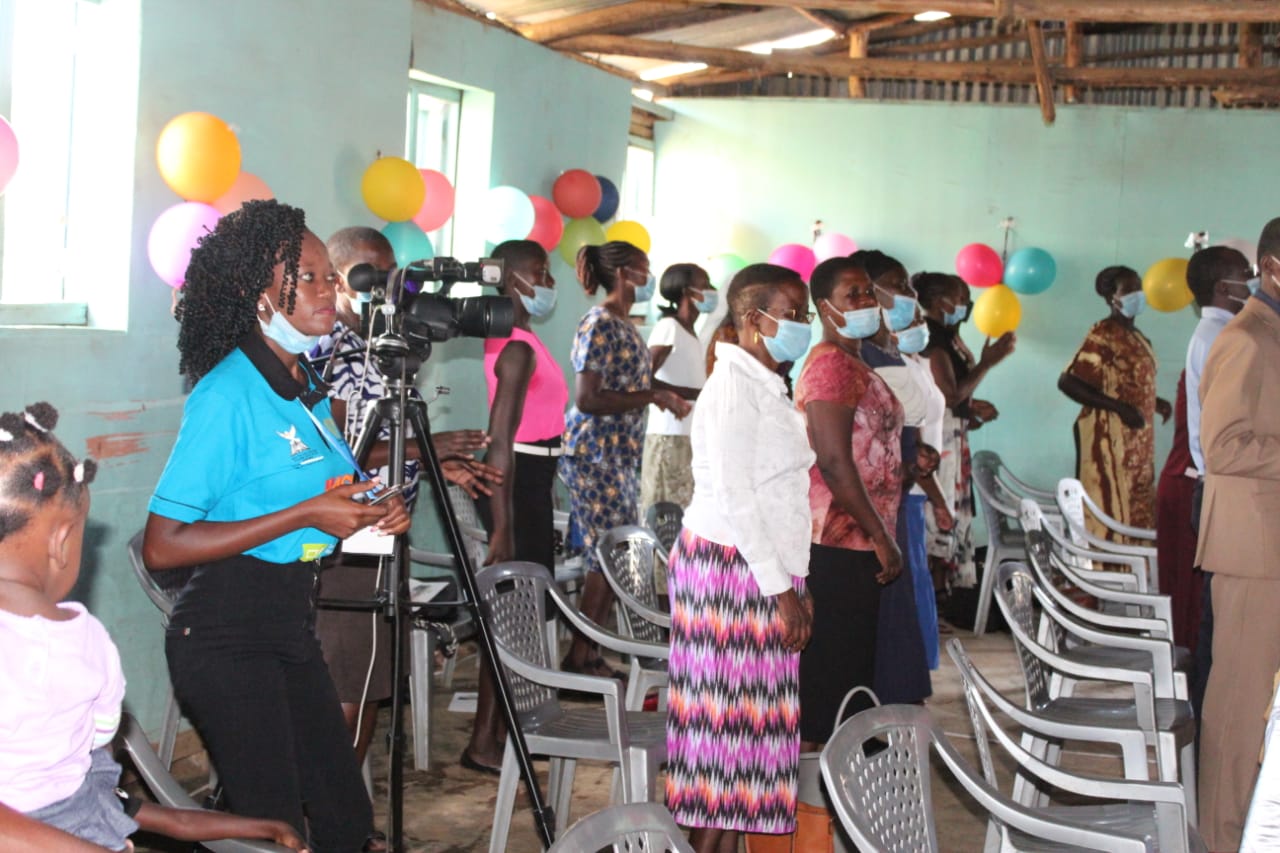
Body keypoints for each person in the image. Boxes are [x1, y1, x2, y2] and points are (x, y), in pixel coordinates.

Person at [143, 200, 408, 853]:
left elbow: (325, 491)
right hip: (225, 632)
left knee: (346, 820)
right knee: (278, 830)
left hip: (289, 623)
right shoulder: (227, 392)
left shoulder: (303, 381)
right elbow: (161, 544)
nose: (329, 291)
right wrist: (309, 514)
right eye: (310, 277)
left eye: (329, 277)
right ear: (259, 295)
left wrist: (373, 505)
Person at [0, 402, 306, 853]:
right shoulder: (86, 643)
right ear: (62, 542)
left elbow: (100, 798)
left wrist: (245, 825)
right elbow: (93, 764)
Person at [310, 226, 500, 779]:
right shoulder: (330, 351)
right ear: (341, 281)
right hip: (347, 539)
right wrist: (427, 446)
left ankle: (344, 814)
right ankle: (327, 819)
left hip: (388, 532)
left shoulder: (384, 347)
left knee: (368, 685)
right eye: (373, 276)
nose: (388, 289)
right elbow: (338, 453)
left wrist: (436, 463)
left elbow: (388, 440)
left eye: (393, 274)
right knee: (347, 686)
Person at [665, 263, 814, 853]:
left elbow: (782, 492)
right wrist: (782, 591)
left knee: (749, 747)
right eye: (794, 315)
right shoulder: (732, 386)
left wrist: (797, 580)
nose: (802, 326)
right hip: (730, 571)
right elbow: (735, 494)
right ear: (755, 319)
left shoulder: (762, 381)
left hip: (761, 568)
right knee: (726, 745)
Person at [559, 241, 691, 678]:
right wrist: (653, 395)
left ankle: (588, 653)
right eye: (644, 270)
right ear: (624, 273)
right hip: (595, 455)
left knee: (611, 555)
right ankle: (580, 659)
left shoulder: (625, 324)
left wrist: (667, 393)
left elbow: (634, 380)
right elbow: (589, 397)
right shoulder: (598, 323)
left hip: (619, 456)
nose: (649, 278)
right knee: (606, 556)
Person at [464, 238, 568, 774]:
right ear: (511, 279)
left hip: (531, 478)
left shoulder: (523, 338)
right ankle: (485, 739)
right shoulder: (516, 347)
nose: (549, 283)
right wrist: (502, 526)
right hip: (514, 479)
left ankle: (498, 731)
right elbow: (501, 438)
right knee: (511, 613)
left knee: (519, 613)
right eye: (541, 273)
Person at [1196, 217, 1280, 853]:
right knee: (1237, 707)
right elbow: (1222, 447)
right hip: (1255, 552)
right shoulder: (1247, 337)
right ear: (1273, 267)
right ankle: (1223, 840)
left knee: (1262, 710)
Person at [795, 256, 904, 748]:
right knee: (834, 669)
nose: (866, 303)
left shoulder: (852, 362)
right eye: (851, 295)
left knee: (852, 660)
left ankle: (844, 770)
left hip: (856, 536)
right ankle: (823, 790)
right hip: (839, 538)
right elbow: (834, 461)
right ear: (825, 307)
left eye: (867, 293)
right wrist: (878, 532)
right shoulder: (832, 366)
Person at [1156, 247, 1251, 659]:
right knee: (1210, 619)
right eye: (1244, 273)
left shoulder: (1222, 333)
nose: (1251, 278)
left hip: (1210, 478)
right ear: (1223, 287)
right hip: (1215, 482)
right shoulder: (1221, 337)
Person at [852, 250, 941, 692]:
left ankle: (896, 693)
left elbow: (914, 414)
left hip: (896, 486)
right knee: (883, 603)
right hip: (870, 499)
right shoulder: (860, 356)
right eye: (898, 285)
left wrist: (914, 458)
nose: (909, 296)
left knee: (899, 596)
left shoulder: (892, 352)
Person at [915, 273, 1013, 599]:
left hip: (953, 434)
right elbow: (949, 396)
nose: (966, 305)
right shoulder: (931, 339)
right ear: (937, 301)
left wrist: (971, 413)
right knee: (938, 518)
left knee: (953, 517)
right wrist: (987, 364)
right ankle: (931, 597)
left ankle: (940, 597)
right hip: (936, 438)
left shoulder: (951, 336)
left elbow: (958, 399)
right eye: (959, 297)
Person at [1059, 266, 1172, 543]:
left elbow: (1124, 382)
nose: (1138, 295)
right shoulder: (1104, 333)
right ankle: (1108, 571)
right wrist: (1120, 408)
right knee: (1112, 507)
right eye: (1129, 290)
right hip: (1111, 440)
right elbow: (1069, 382)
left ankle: (1137, 573)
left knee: (1139, 506)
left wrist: (1154, 402)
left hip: (1137, 443)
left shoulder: (1136, 336)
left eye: (1139, 288)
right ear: (1113, 297)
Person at [641, 263, 714, 511]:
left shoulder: (691, 333)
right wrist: (693, 394)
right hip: (668, 435)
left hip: (687, 434)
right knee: (663, 513)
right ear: (687, 291)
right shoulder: (669, 327)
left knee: (683, 508)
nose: (711, 291)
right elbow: (643, 377)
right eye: (705, 285)